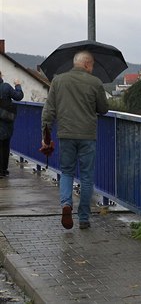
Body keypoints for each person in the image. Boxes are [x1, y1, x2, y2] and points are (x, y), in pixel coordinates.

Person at [41, 50, 108, 230]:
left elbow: (48, 111)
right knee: (86, 177)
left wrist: (45, 136)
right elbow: (103, 109)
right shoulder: (95, 82)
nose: (92, 69)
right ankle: (84, 218)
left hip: (65, 135)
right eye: (92, 65)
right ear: (87, 64)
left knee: (67, 172)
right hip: (87, 136)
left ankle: (66, 205)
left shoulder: (58, 81)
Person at [0, 72, 24, 177]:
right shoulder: (5, 87)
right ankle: (3, 170)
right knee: (5, 146)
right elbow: (18, 96)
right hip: (5, 121)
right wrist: (18, 85)